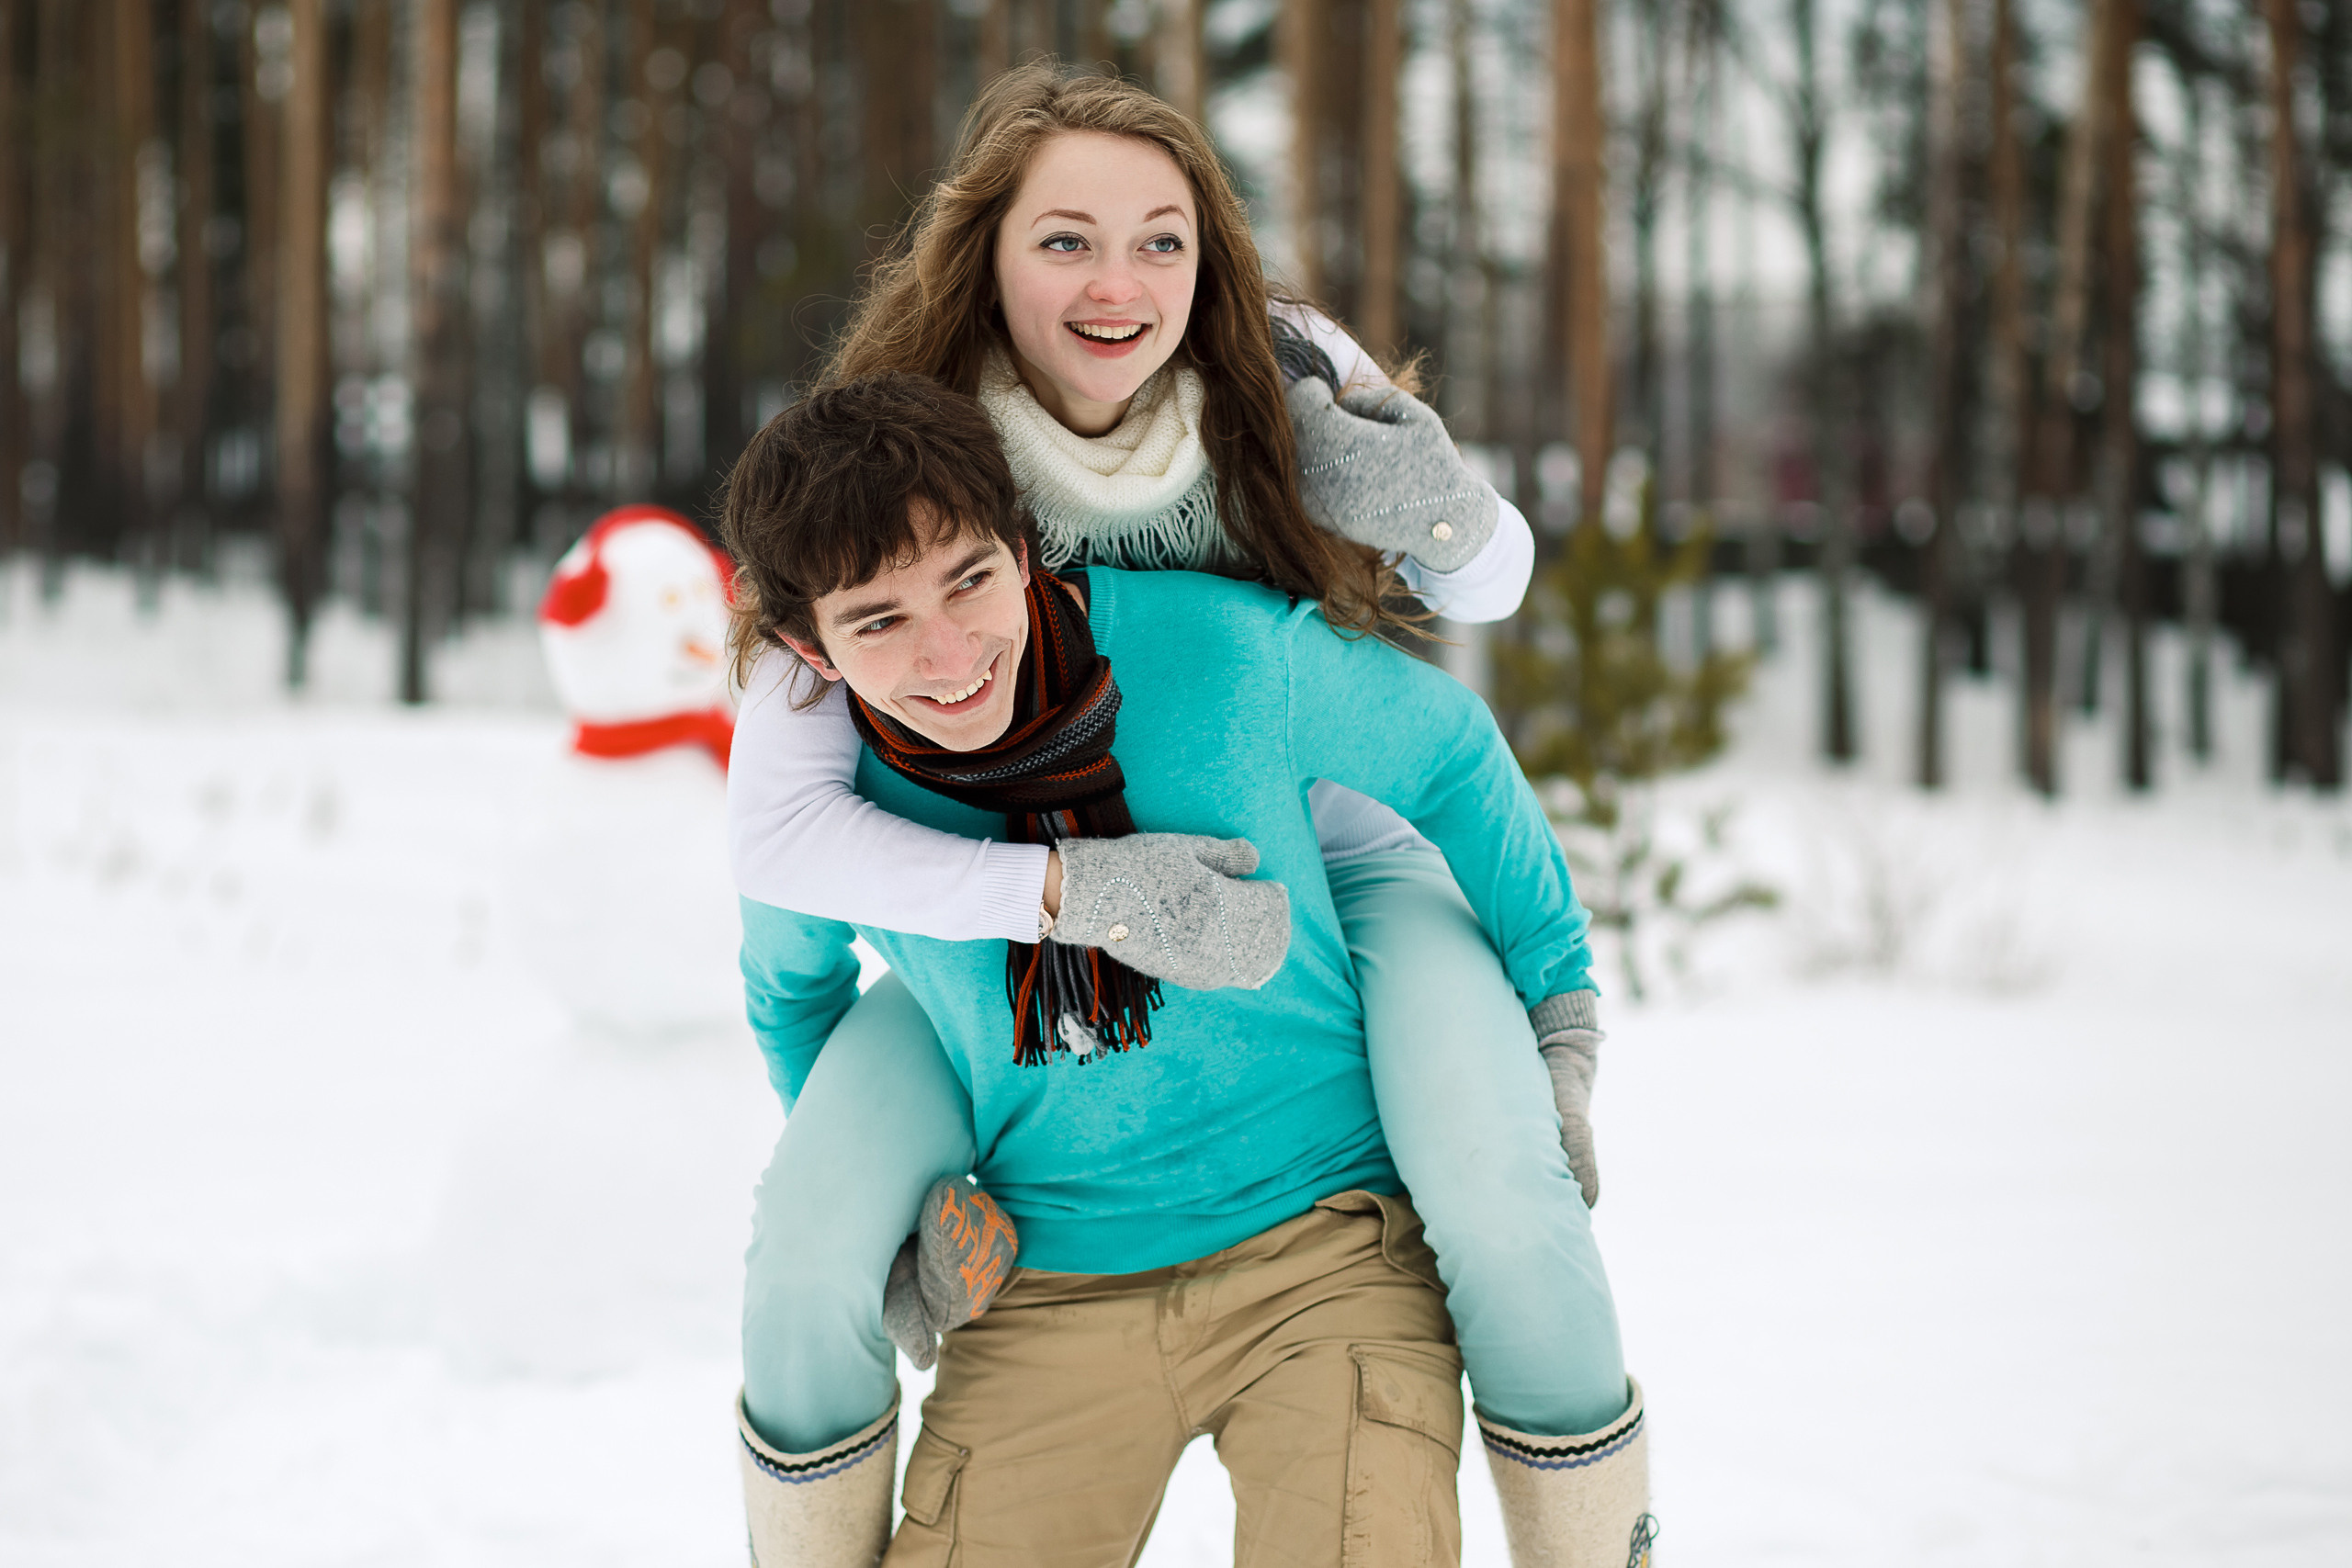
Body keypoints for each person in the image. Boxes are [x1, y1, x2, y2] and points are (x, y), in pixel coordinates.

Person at [725, 62, 1648, 1566]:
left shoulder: (1278, 374)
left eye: (1163, 239)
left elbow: (1479, 636)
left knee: (1499, 1183)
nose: (1120, 280)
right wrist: (1061, 904)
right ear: (989, 260)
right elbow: (781, 857)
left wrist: (1425, 501)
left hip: (1340, 857)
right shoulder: (896, 489)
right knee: (809, 1233)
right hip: (996, 893)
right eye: (1066, 239)